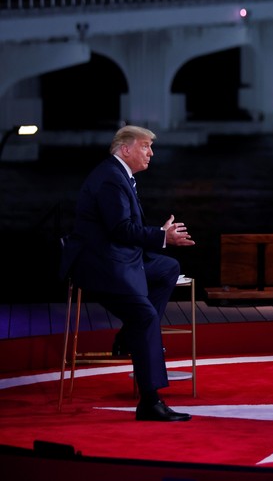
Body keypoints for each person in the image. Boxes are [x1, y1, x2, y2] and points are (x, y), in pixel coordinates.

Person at [59, 125, 196, 422]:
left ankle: (128, 334)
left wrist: (161, 238)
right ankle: (150, 402)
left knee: (168, 267)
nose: (151, 153)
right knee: (145, 316)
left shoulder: (120, 175)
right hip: (100, 265)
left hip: (118, 256)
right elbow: (120, 229)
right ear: (125, 149)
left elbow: (123, 231)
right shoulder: (110, 179)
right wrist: (162, 236)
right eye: (146, 146)